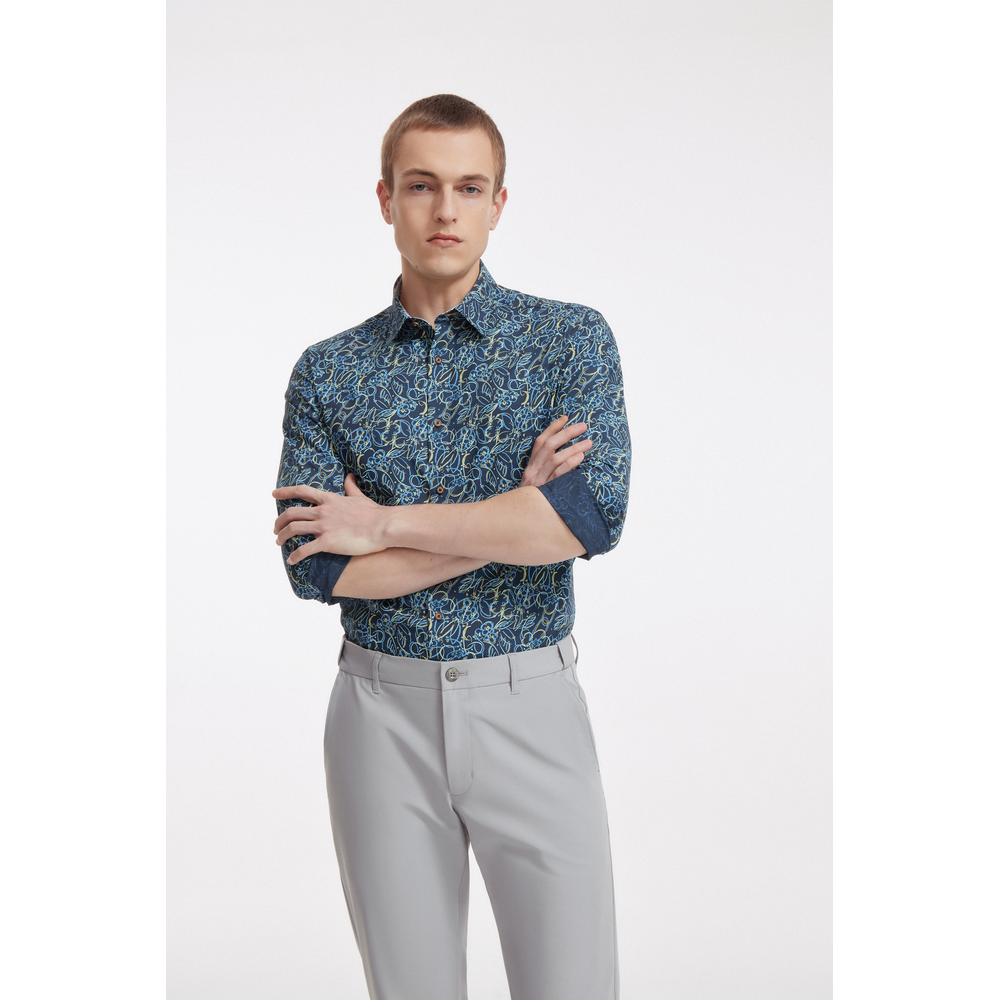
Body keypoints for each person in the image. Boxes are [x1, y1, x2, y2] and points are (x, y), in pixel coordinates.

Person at [272, 94, 631, 1000]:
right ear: (385, 198)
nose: (445, 210)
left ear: (499, 203)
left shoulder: (569, 340)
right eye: (421, 185)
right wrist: (515, 515)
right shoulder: (328, 370)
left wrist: (385, 525)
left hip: (530, 705)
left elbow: (584, 522)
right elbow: (321, 569)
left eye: (470, 187)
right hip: (378, 717)